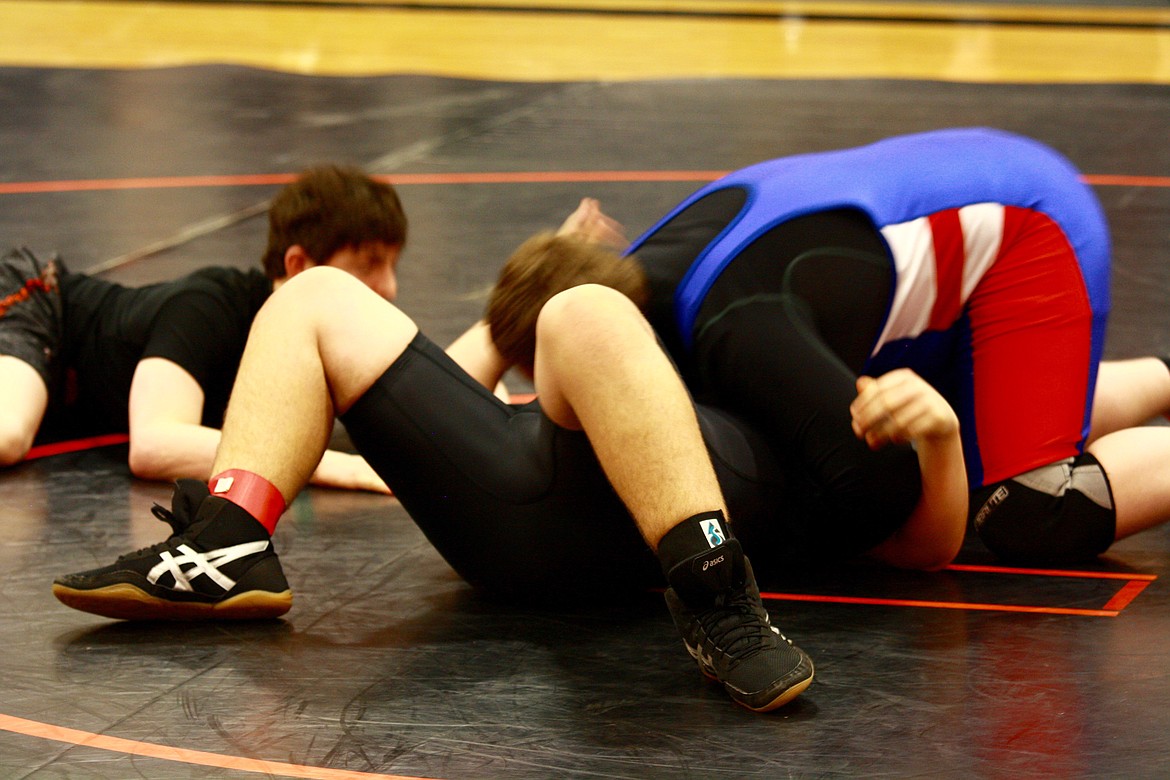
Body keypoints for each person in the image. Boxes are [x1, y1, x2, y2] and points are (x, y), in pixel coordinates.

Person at [51, 266, 816, 713]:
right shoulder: (726, 375)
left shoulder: (731, 374)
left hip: (566, 518)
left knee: (586, 308)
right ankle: (228, 537)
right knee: (314, 293)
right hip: (531, 507)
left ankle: (714, 589)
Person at [487, 127, 1170, 570]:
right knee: (946, 419)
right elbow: (481, 369)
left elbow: (889, 496)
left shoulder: (739, 329)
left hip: (1028, 229)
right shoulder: (620, 282)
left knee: (1027, 510)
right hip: (959, 192)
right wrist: (534, 276)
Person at [0, 164, 403, 492]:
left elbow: (409, 397)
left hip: (56, 391)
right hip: (38, 301)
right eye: (368, 265)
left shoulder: (317, 345)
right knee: (7, 434)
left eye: (392, 265)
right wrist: (341, 468)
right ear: (298, 265)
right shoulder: (210, 304)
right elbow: (154, 445)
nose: (389, 288)